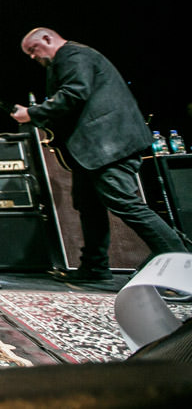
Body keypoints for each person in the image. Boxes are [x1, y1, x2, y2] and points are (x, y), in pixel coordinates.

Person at [10, 27, 185, 282]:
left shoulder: (72, 55)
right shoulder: (71, 59)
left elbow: (75, 93)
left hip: (109, 145)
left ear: (47, 39)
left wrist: (33, 113)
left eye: (33, 50)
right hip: (93, 150)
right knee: (88, 205)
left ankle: (181, 264)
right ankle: (94, 267)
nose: (33, 58)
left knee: (125, 202)